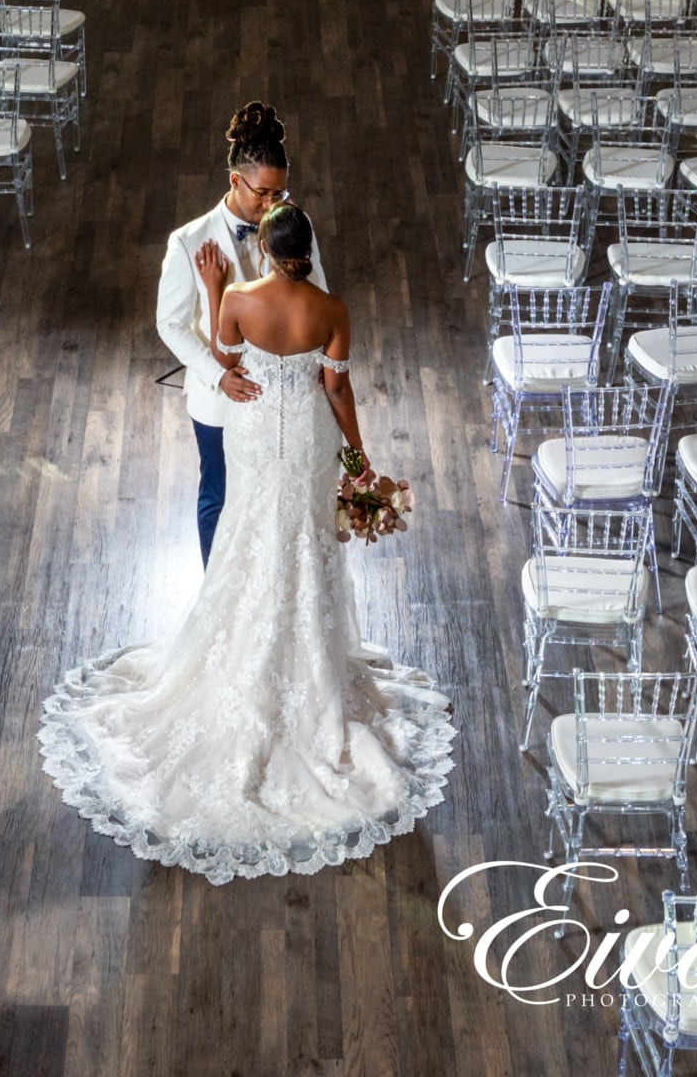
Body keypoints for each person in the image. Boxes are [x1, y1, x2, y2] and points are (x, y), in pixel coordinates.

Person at [39, 201, 455, 886]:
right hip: (312, 447)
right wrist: (358, 463)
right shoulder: (332, 308)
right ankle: (312, 677)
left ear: (264, 248)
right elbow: (338, 388)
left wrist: (211, 291)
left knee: (248, 537)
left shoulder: (237, 295)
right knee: (304, 549)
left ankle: (242, 663)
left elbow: (226, 360)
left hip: (257, 439)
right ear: (308, 250)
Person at [155, 101, 326, 565]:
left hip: (283, 396)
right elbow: (169, 323)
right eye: (264, 193)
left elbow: (319, 294)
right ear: (236, 181)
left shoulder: (295, 225)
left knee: (274, 495)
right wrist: (217, 376)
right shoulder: (189, 241)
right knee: (218, 491)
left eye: (281, 193)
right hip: (219, 398)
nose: (273, 204)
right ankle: (216, 587)